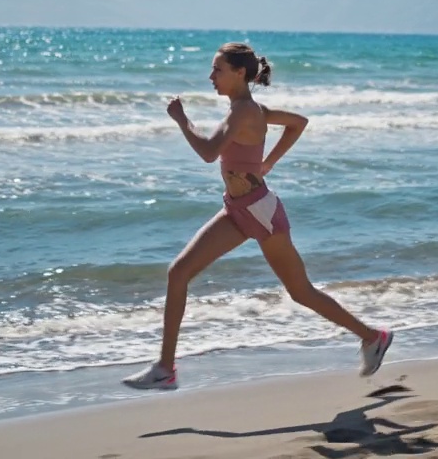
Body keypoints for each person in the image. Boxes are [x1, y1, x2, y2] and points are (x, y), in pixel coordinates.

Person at [121, 42, 392, 390]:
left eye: (217, 70)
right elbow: (298, 122)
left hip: (260, 213)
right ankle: (166, 369)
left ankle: (373, 337)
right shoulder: (251, 110)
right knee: (179, 273)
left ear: (240, 73)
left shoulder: (243, 113)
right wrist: (268, 162)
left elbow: (207, 152)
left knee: (301, 291)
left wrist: (181, 119)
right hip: (238, 210)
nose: (211, 76)